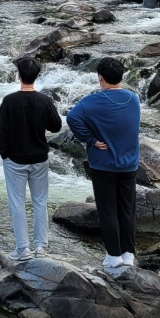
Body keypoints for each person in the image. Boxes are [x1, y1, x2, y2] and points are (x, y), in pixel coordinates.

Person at [66, 57, 141, 274]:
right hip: (129, 165)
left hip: (103, 165)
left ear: (100, 78)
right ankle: (128, 255)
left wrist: (90, 139)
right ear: (122, 76)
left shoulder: (90, 101)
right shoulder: (133, 98)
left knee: (108, 210)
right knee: (127, 209)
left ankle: (113, 257)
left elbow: (72, 118)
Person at [0, 55, 62, 262]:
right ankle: (41, 247)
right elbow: (56, 126)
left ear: (18, 75)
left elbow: (3, 132)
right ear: (37, 76)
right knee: (40, 202)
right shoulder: (45, 101)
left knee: (17, 203)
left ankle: (23, 249)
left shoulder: (9, 101)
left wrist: (4, 153)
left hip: (15, 159)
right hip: (39, 158)